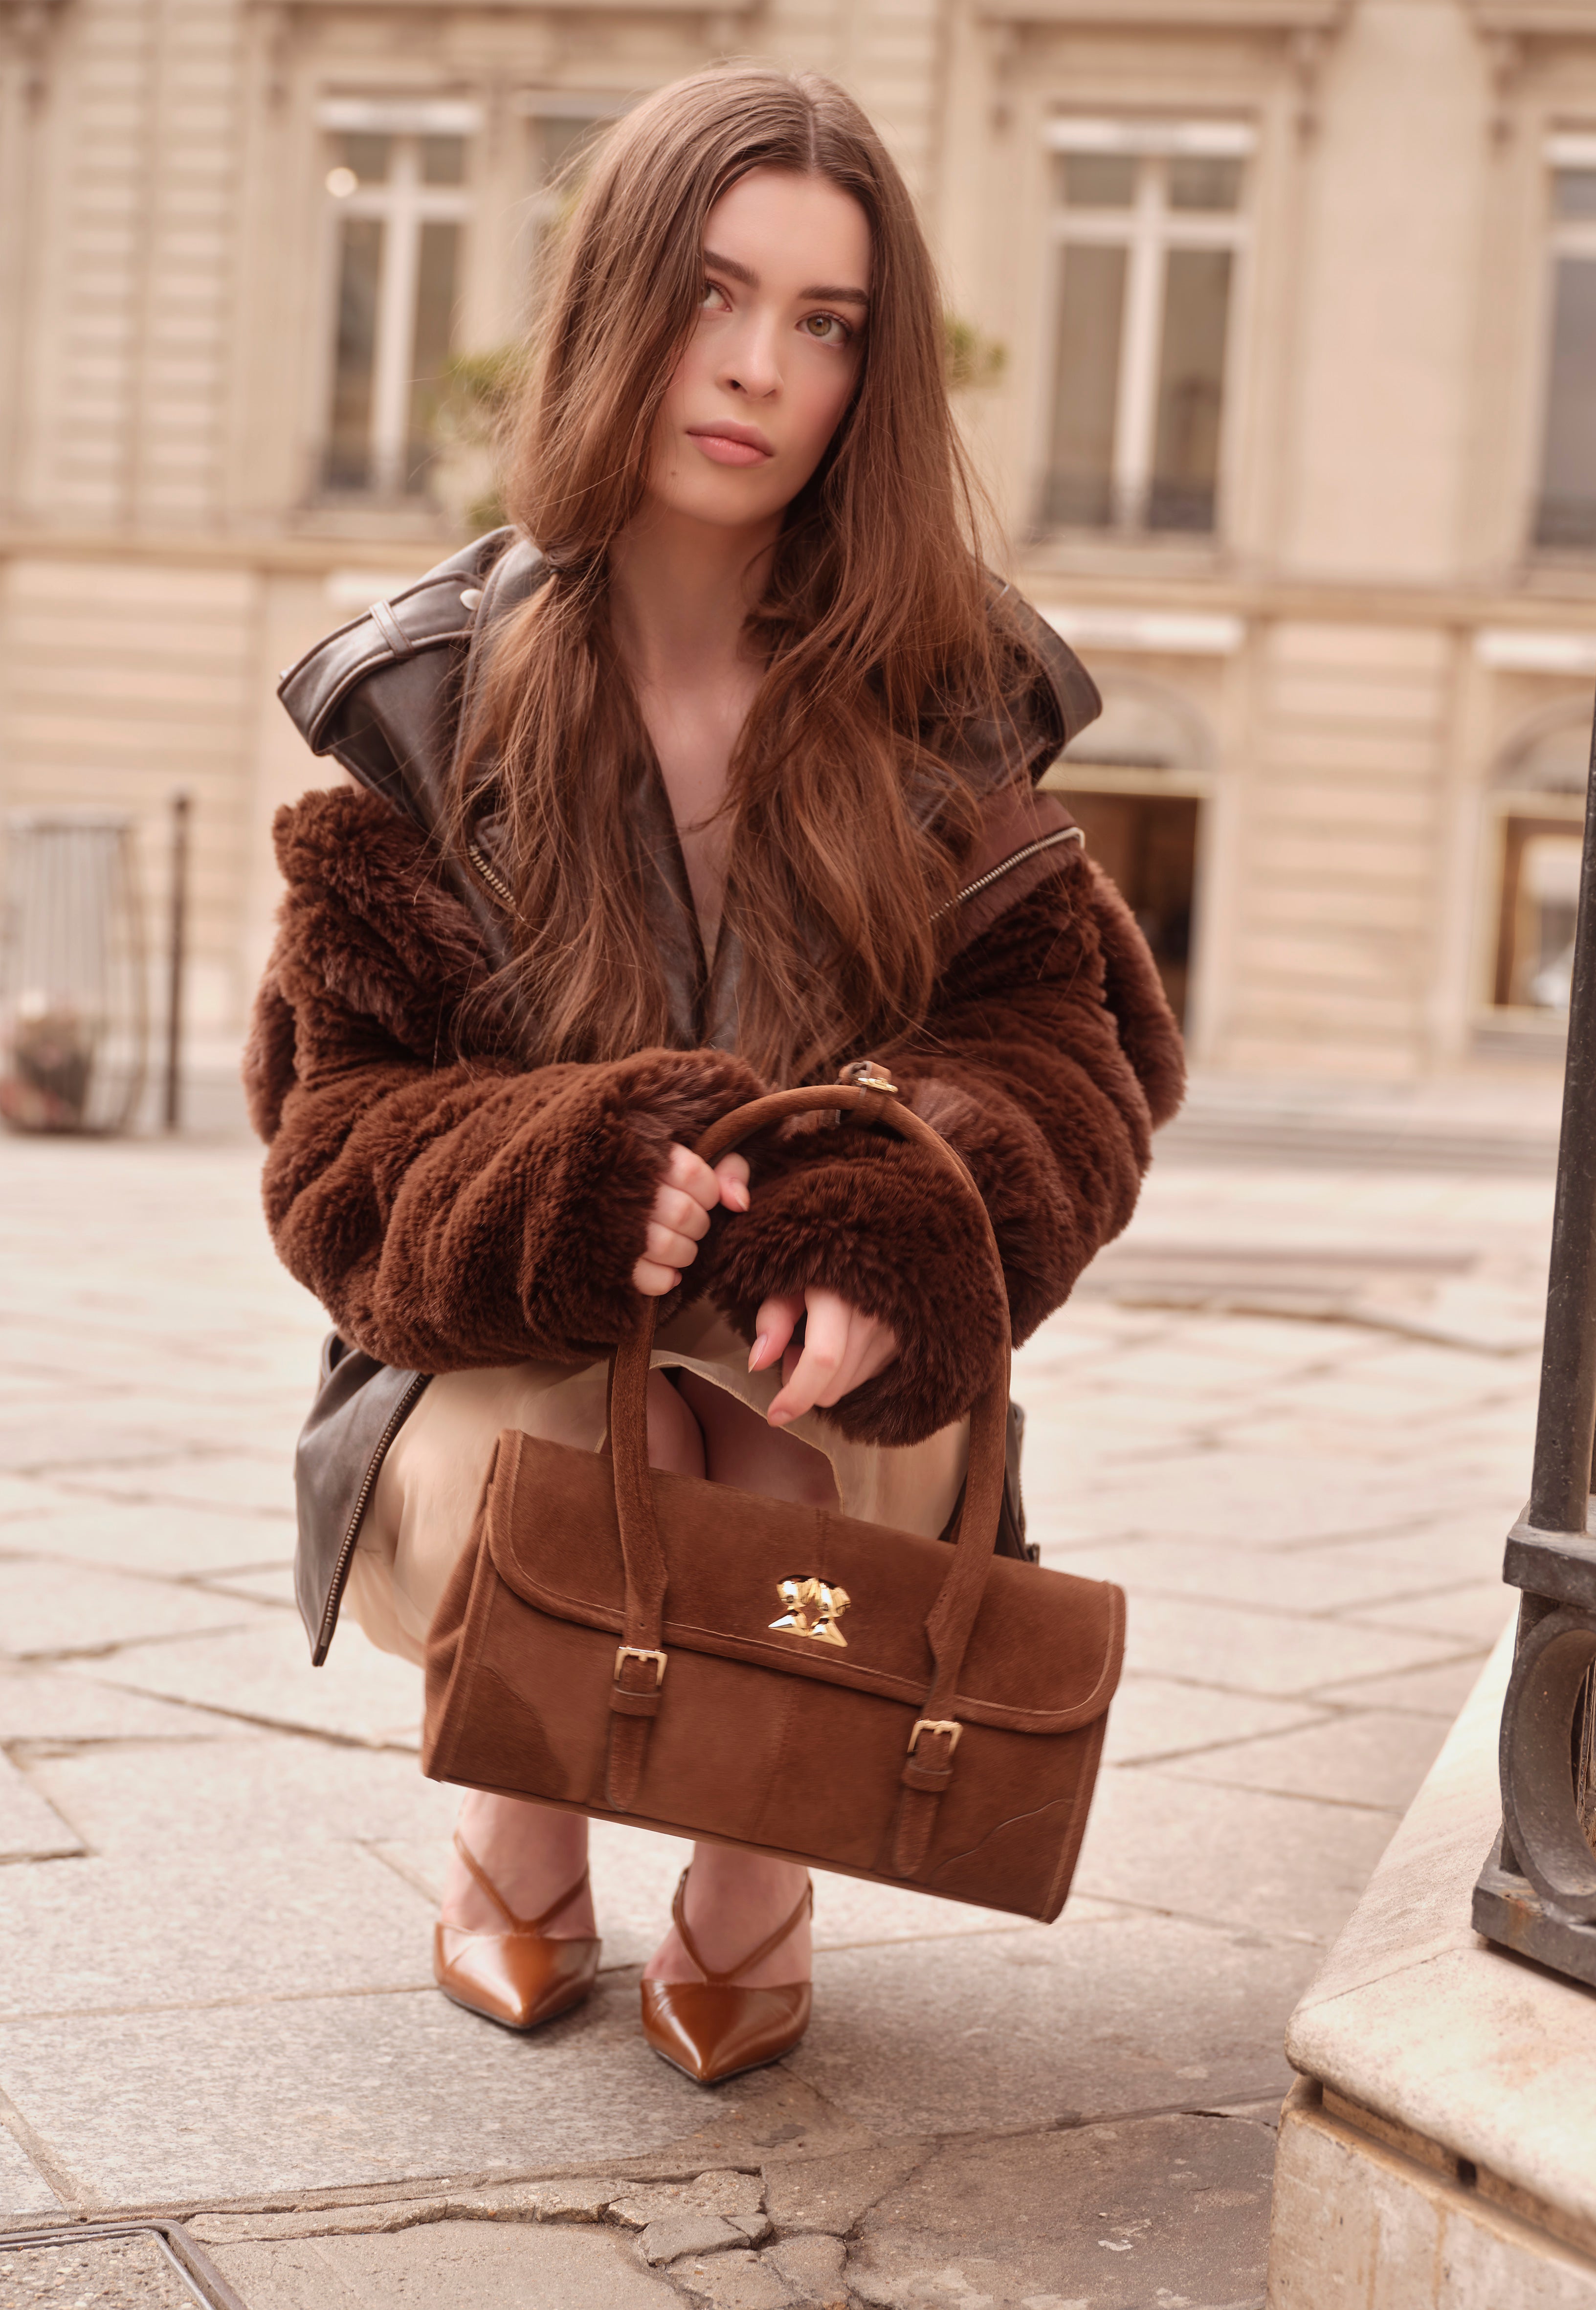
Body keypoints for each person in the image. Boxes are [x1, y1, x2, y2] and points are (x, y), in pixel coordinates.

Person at [248, 63, 1184, 2087]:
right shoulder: (425, 703)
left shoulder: (949, 705)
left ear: (871, 376)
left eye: (827, 322)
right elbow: (335, 1132)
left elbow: (1068, 1053)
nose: (761, 366)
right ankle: (522, 1815)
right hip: (504, 1378)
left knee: (772, 1427)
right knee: (615, 1434)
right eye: (713, 293)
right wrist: (580, 1177)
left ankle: (759, 1861)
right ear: (619, 308)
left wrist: (894, 1215)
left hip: (826, 1386)